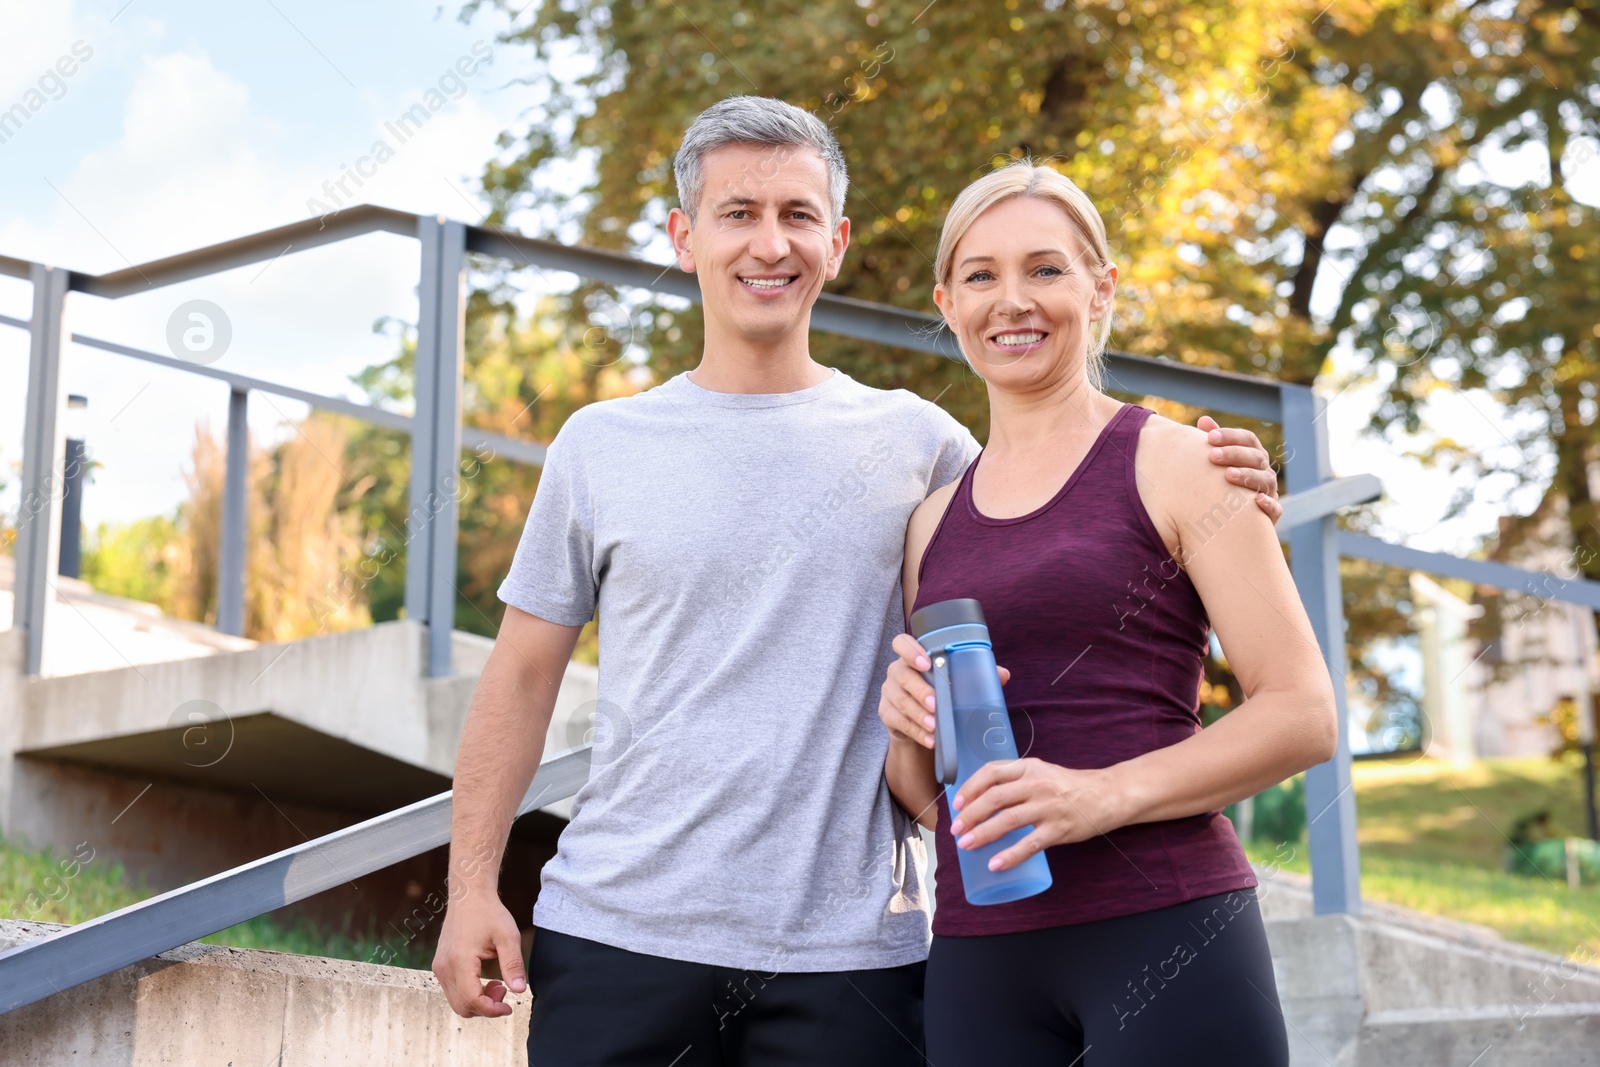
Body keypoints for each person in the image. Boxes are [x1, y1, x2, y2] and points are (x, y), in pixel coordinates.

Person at [431, 96, 1284, 1066]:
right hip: (619, 934)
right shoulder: (597, 445)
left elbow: (1066, 500)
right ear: (682, 236)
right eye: (737, 212)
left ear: (834, 242)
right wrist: (469, 887)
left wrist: (1231, 485)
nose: (769, 242)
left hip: (853, 958)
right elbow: (520, 678)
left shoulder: (918, 445)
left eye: (797, 214)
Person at [877, 161, 1338, 1066]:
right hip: (980, 957)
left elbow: (1303, 713)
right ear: (947, 300)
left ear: (1101, 286)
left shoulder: (1186, 464)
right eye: (982, 275)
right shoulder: (930, 522)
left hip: (1167, 932)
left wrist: (1100, 796)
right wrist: (905, 733)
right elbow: (937, 803)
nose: (1013, 301)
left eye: (1045, 269)